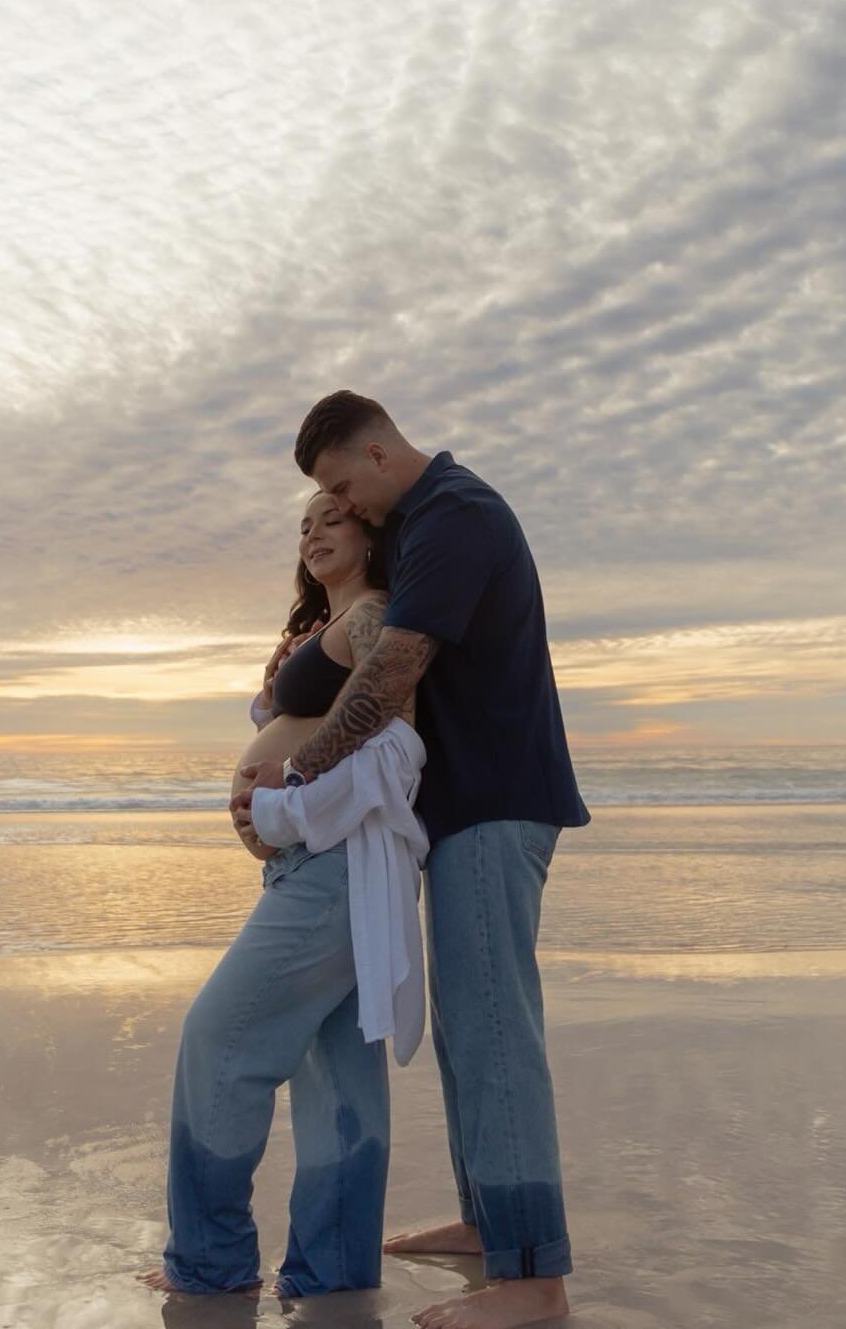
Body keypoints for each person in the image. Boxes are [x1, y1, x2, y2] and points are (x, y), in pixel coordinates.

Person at [234, 391, 590, 1329]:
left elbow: (393, 669)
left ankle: (535, 1276)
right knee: (470, 1029)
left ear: (379, 453)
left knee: (494, 1030)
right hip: (461, 812)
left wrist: (294, 784)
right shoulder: (424, 523)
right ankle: (488, 1224)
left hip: (495, 803)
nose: (346, 506)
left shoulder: (454, 515)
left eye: (344, 485)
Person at [138, 489, 426, 1298]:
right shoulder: (331, 624)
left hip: (331, 866)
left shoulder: (374, 615)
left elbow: (394, 736)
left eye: (332, 518)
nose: (312, 533)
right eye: (303, 525)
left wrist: (289, 795)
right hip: (322, 868)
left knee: (218, 1041)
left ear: (370, 532)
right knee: (336, 1077)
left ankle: (209, 1263)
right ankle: (333, 1276)